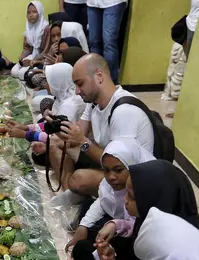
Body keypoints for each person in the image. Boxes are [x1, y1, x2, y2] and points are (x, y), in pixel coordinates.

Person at [52, 53, 153, 197]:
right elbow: (78, 134)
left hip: (129, 174)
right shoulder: (93, 102)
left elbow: (119, 165)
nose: (77, 91)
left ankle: (77, 192)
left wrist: (82, 141)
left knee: (80, 179)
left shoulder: (123, 111)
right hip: (107, 160)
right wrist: (57, 128)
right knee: (54, 144)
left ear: (99, 76)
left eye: (80, 84)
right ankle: (70, 192)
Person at [86, 0, 127, 83]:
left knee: (109, 42)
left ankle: (111, 82)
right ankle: (96, 80)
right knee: (94, 42)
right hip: (93, 3)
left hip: (113, 3)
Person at [11, 1, 49, 79]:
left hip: (43, 59)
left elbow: (46, 51)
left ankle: (35, 70)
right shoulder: (28, 29)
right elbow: (27, 48)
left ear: (40, 12)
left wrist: (33, 61)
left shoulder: (46, 29)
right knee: (14, 72)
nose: (31, 15)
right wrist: (22, 56)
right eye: (28, 13)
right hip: (32, 56)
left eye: (34, 12)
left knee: (22, 75)